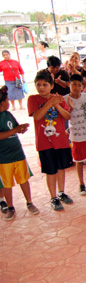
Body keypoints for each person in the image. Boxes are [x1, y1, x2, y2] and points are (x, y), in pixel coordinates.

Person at [27, 71, 73, 211]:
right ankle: (53, 197)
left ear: (51, 86)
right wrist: (50, 103)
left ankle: (61, 192)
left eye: (45, 85)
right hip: (44, 143)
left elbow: (67, 116)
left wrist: (57, 105)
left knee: (61, 168)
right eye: (38, 85)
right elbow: (37, 116)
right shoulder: (33, 99)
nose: (41, 87)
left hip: (61, 141)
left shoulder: (58, 98)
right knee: (51, 171)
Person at [0, 85, 39, 220]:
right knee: (6, 183)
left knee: (23, 179)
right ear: (2, 103)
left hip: (17, 153)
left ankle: (30, 202)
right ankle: (10, 206)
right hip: (3, 157)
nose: (9, 101)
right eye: (7, 100)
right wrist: (15, 130)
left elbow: (15, 128)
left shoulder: (8, 114)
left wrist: (21, 128)